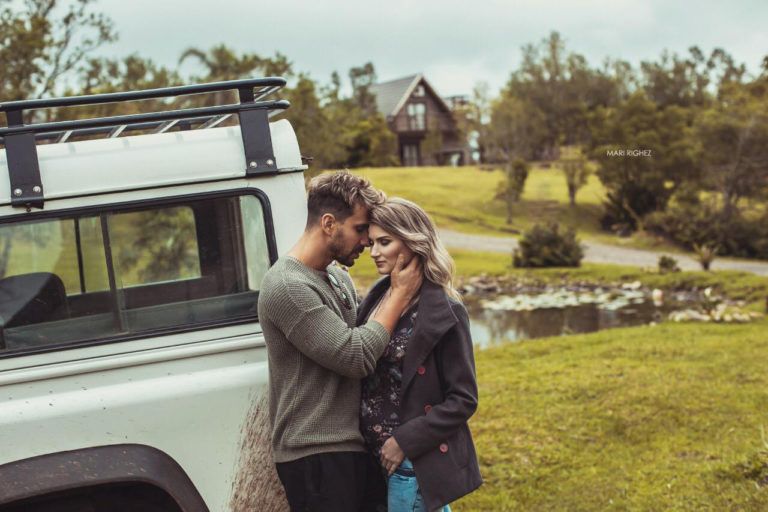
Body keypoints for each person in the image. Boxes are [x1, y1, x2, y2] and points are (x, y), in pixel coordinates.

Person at [257, 172, 423, 512]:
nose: (367, 241)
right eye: (361, 229)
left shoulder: (337, 277)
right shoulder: (287, 286)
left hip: (354, 447)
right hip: (316, 454)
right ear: (329, 223)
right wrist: (400, 294)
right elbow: (356, 355)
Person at [359, 197, 482, 512]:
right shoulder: (378, 297)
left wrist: (403, 441)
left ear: (413, 242)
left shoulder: (446, 312)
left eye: (384, 242)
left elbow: (463, 398)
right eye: (372, 242)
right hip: (372, 461)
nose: (373, 252)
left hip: (410, 464)